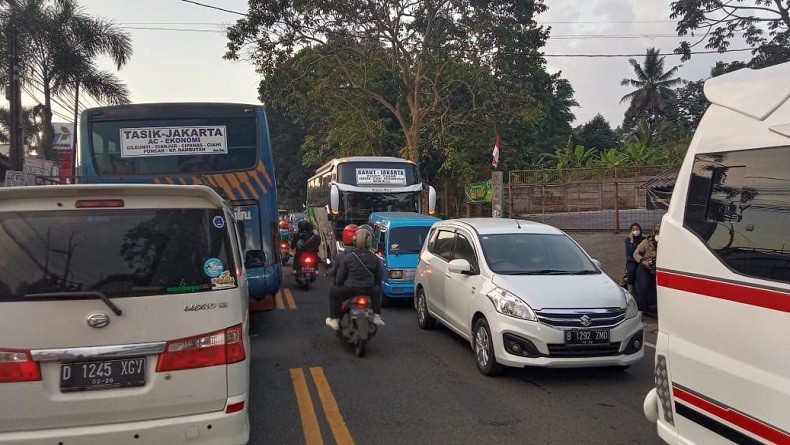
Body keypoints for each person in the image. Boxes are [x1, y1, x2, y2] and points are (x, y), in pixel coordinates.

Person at [325, 226, 385, 330]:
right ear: (370, 242)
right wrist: (376, 286)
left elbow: (340, 277)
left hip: (350, 289)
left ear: (355, 240)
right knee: (377, 291)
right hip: (370, 289)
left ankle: (335, 319)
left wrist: (338, 284)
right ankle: (376, 315)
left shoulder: (348, 257)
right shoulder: (374, 258)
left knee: (333, 292)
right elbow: (379, 276)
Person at [633, 225, 659, 313]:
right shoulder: (646, 242)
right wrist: (644, 261)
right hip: (645, 267)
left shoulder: (667, 243)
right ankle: (640, 309)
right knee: (643, 286)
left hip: (659, 269)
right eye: (657, 233)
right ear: (654, 233)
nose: (659, 235)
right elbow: (636, 254)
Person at [624, 222, 645, 297]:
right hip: (632, 261)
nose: (636, 231)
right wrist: (632, 241)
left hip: (642, 260)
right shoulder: (628, 240)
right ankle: (630, 291)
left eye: (637, 229)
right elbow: (630, 252)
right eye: (633, 229)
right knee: (631, 271)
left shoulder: (643, 239)